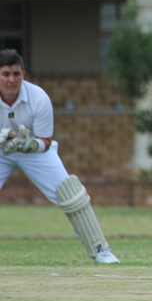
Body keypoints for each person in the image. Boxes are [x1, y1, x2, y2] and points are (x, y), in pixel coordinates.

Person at [0, 49, 120, 264]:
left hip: (33, 151)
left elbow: (45, 140)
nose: (12, 80)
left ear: (23, 74)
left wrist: (29, 144)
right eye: (6, 74)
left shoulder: (38, 98)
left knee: (70, 193)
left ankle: (100, 250)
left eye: (16, 74)